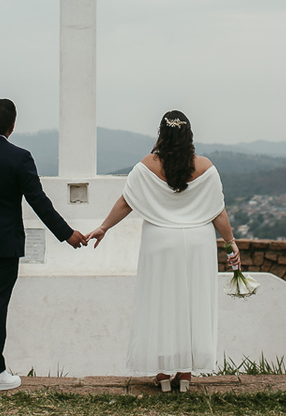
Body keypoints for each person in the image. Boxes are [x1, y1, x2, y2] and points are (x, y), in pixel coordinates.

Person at [85, 110, 239, 393]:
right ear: (189, 135)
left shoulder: (146, 166)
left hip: (159, 241)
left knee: (161, 303)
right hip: (197, 242)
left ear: (161, 134)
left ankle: (163, 374)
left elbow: (126, 201)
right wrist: (231, 243)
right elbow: (218, 211)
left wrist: (104, 227)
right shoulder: (206, 167)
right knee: (191, 303)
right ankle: (185, 374)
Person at [0, 98, 87, 392]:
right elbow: (39, 202)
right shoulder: (19, 158)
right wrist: (67, 233)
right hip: (3, 244)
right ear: (12, 126)